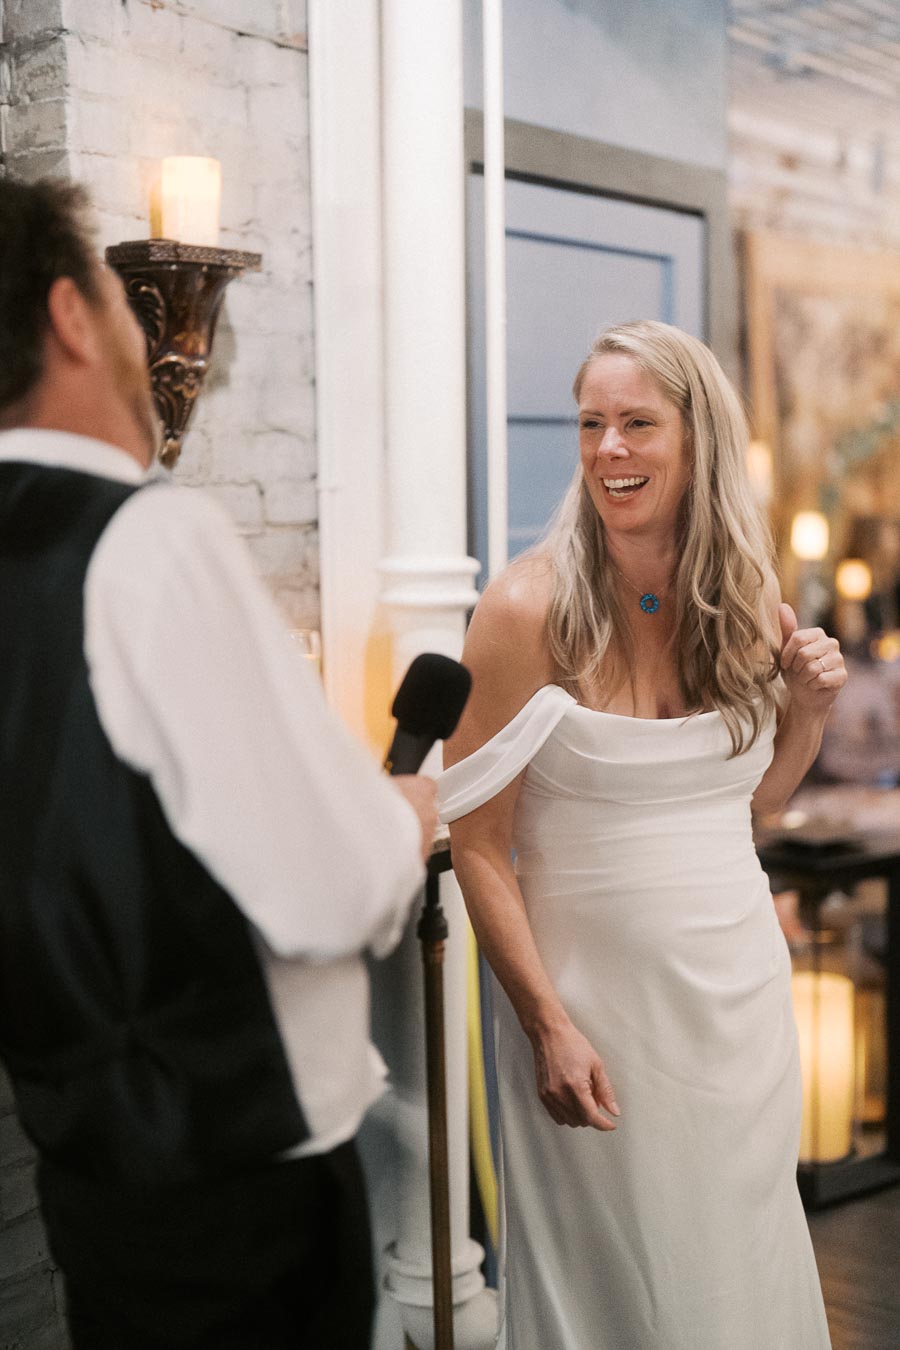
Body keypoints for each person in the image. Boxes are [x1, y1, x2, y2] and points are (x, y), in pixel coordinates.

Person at [0, 176, 437, 1350]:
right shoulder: (147, 540)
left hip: (87, 1174)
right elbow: (332, 887)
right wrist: (402, 816)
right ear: (74, 317)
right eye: (113, 287)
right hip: (239, 1203)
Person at [440, 320, 846, 1350]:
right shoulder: (525, 610)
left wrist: (804, 714)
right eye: (591, 424)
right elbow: (480, 844)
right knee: (617, 1284)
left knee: (735, 1268)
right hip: (590, 1009)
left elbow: (752, 807)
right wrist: (546, 1024)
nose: (609, 449)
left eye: (636, 424)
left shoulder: (745, 601)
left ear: (696, 437)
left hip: (736, 997)